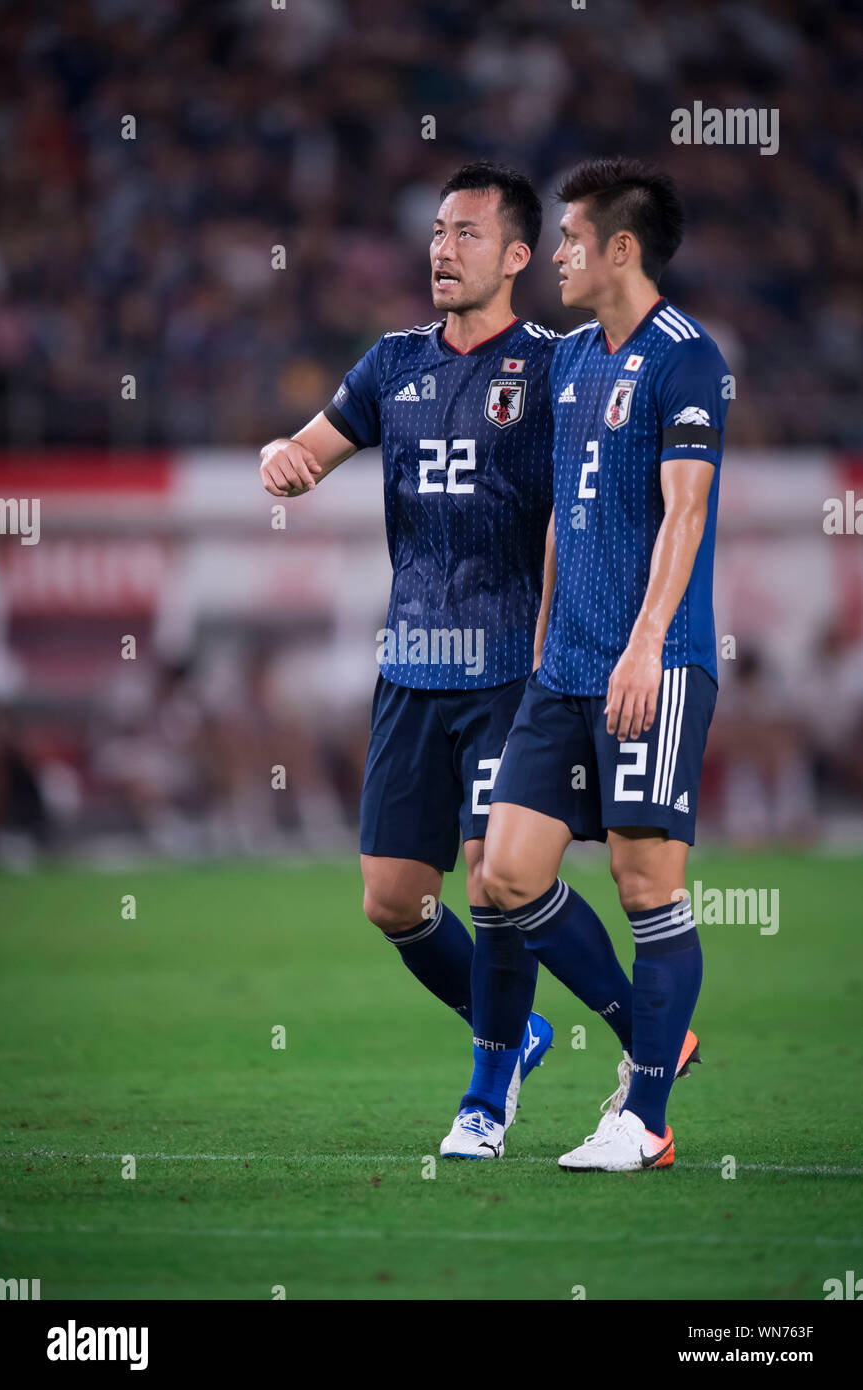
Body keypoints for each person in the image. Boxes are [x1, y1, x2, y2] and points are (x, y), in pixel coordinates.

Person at [260, 162, 563, 1153]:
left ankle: (482, 1099)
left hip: (508, 670)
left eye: (466, 233)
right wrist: (285, 461)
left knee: (492, 881)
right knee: (393, 899)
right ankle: (518, 1035)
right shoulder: (391, 363)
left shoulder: (553, 368)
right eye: (436, 231)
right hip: (410, 666)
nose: (441, 247)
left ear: (516, 256)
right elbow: (311, 450)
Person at [445, 156, 729, 1170]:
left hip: (654, 661)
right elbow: (567, 511)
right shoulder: (567, 360)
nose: (554, 253)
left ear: (618, 246)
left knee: (643, 880)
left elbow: (684, 512)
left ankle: (642, 1117)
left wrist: (645, 644)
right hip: (559, 668)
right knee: (504, 875)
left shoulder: (687, 359)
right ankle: (652, 1038)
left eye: (567, 238)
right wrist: (540, 637)